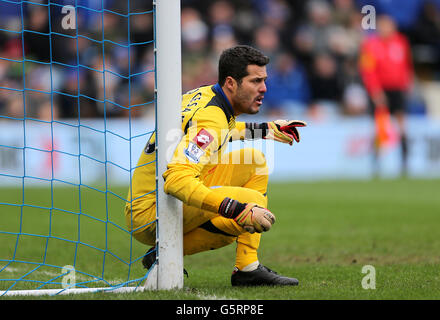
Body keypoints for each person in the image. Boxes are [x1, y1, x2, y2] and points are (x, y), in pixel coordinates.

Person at [125, 45, 307, 286]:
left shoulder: (204, 95)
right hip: (150, 214)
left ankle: (247, 268)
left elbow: (219, 132)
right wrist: (236, 209)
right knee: (247, 206)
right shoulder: (213, 119)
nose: (264, 88)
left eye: (264, 80)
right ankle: (164, 253)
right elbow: (177, 179)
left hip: (154, 198)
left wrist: (266, 129)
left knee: (255, 162)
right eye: (256, 81)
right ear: (231, 83)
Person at [359, 14, 413, 176]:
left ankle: (404, 164)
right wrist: (375, 91)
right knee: (379, 128)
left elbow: (406, 66)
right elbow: (367, 70)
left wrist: (407, 84)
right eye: (382, 26)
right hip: (380, 90)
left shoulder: (401, 42)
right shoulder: (370, 45)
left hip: (397, 89)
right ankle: (376, 164)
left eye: (388, 26)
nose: (385, 29)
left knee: (402, 126)